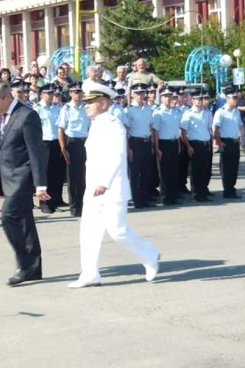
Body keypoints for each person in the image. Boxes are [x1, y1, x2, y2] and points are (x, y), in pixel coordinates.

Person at [67, 83, 160, 288]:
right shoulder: (96, 124)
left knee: (117, 231)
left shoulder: (113, 124)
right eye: (86, 102)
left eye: (90, 102)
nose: (86, 106)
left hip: (111, 188)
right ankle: (90, 273)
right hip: (93, 188)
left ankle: (150, 254)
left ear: (103, 103)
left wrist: (104, 182)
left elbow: (117, 156)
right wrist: (94, 184)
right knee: (89, 231)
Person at [0, 81, 48, 286]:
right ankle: (33, 268)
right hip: (9, 179)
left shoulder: (27, 116)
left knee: (8, 217)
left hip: (23, 179)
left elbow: (36, 152)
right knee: (24, 223)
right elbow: (5, 151)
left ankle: (25, 265)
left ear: (6, 98)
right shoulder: (4, 116)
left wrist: (40, 185)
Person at [58, 82, 90, 217]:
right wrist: (63, 147)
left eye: (80, 91)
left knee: (84, 176)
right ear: (70, 93)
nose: (78, 94)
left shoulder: (87, 107)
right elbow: (61, 129)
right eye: (75, 92)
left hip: (85, 142)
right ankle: (74, 207)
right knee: (73, 177)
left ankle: (84, 205)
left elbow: (90, 127)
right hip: (72, 142)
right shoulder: (66, 109)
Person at [35, 84, 65, 213]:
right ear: (41, 94)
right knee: (45, 174)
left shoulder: (56, 108)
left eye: (52, 94)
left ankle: (55, 200)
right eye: (48, 93)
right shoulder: (37, 109)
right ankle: (44, 203)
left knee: (56, 174)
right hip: (43, 143)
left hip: (56, 143)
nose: (51, 96)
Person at [180, 88, 213, 202]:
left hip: (205, 144)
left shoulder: (207, 113)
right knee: (195, 170)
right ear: (192, 100)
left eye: (201, 99)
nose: (199, 101)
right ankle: (196, 193)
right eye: (197, 99)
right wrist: (188, 146)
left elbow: (209, 129)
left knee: (205, 169)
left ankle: (203, 192)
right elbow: (183, 131)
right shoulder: (188, 114)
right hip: (195, 144)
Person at [125, 83, 155, 208]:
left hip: (146, 141)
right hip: (134, 142)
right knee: (134, 173)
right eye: (137, 93)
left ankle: (145, 198)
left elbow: (151, 127)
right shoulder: (129, 110)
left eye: (142, 93)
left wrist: (153, 144)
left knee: (146, 172)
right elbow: (126, 130)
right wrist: (128, 148)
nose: (140, 95)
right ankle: (136, 200)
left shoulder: (148, 109)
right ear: (132, 95)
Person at [152, 87, 181, 206]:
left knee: (174, 171)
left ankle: (173, 196)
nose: (168, 98)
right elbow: (156, 132)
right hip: (163, 144)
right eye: (165, 96)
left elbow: (177, 129)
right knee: (164, 172)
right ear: (162, 98)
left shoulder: (175, 112)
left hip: (174, 142)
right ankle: (165, 197)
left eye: (170, 96)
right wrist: (157, 148)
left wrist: (179, 144)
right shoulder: (158, 112)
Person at [213, 85, 243, 199]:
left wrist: (241, 138)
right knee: (226, 168)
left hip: (235, 142)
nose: (236, 100)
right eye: (234, 98)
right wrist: (218, 141)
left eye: (236, 98)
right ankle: (227, 190)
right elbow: (216, 128)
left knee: (234, 168)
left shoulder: (236, 112)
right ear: (228, 98)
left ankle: (232, 189)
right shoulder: (221, 112)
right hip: (225, 142)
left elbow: (240, 125)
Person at [236, 88, 245, 153]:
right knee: (235, 134)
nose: (238, 93)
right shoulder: (234, 100)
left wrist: (238, 107)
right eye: (237, 92)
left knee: (243, 134)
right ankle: (236, 147)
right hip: (235, 120)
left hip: (242, 119)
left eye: (239, 92)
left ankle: (244, 147)